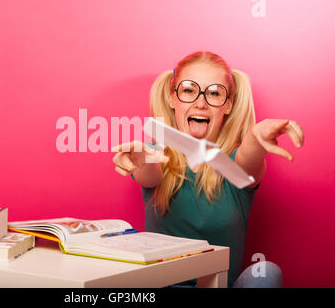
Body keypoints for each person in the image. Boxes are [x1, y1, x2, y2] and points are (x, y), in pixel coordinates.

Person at [111, 51, 304, 288]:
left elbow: (249, 158)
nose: (200, 102)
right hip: (160, 287)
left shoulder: (234, 167)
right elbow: (149, 175)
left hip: (218, 285)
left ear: (227, 106)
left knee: (265, 272)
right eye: (189, 90)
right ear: (173, 99)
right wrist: (141, 161)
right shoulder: (154, 154)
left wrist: (257, 135)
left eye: (214, 93)